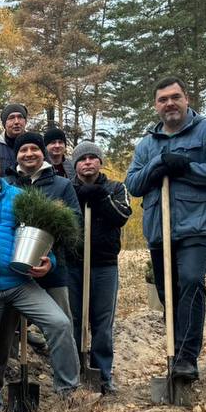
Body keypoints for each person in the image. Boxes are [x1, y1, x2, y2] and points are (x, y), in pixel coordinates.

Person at [0, 146, 82, 412]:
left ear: (0, 167)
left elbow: (44, 238)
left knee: (59, 323)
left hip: (20, 284)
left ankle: (69, 391)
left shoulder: (21, 198)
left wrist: (49, 263)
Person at [125, 76, 206, 381]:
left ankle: (187, 357)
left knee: (191, 282)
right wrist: (158, 163)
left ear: (186, 99)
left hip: (196, 225)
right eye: (163, 99)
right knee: (167, 293)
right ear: (155, 105)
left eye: (175, 97)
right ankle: (174, 355)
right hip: (160, 229)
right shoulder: (147, 144)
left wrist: (185, 166)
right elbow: (133, 184)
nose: (169, 103)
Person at [68, 141, 131, 393]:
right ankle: (74, 373)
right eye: (82, 159)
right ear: (75, 165)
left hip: (104, 265)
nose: (88, 162)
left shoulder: (115, 188)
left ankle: (102, 375)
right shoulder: (68, 189)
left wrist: (100, 196)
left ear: (100, 162)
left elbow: (122, 216)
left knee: (102, 324)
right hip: (73, 265)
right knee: (72, 321)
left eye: (93, 158)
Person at [2, 131, 80, 320]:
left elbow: (75, 220)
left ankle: (66, 350)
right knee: (10, 329)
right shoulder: (6, 184)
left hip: (54, 269)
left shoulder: (61, 185)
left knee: (60, 322)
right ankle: (14, 351)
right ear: (16, 155)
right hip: (13, 269)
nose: (29, 153)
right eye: (23, 150)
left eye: (34, 148)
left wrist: (51, 221)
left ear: (42, 152)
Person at [0, 103, 29, 175]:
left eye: (20, 117)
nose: (16, 122)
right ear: (4, 124)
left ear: (25, 122)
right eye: (11, 118)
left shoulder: (38, 147)